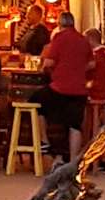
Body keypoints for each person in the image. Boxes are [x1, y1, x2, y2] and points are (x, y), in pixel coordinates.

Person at [40, 10, 94, 162]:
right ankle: (73, 160)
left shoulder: (59, 38)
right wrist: (78, 69)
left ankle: (45, 142)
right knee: (75, 125)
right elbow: (92, 64)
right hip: (80, 90)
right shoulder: (83, 39)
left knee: (38, 104)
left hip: (59, 89)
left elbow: (48, 63)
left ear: (60, 24)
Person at [86, 29, 105, 107]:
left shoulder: (97, 55)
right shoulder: (103, 53)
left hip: (97, 90)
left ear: (90, 39)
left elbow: (87, 67)